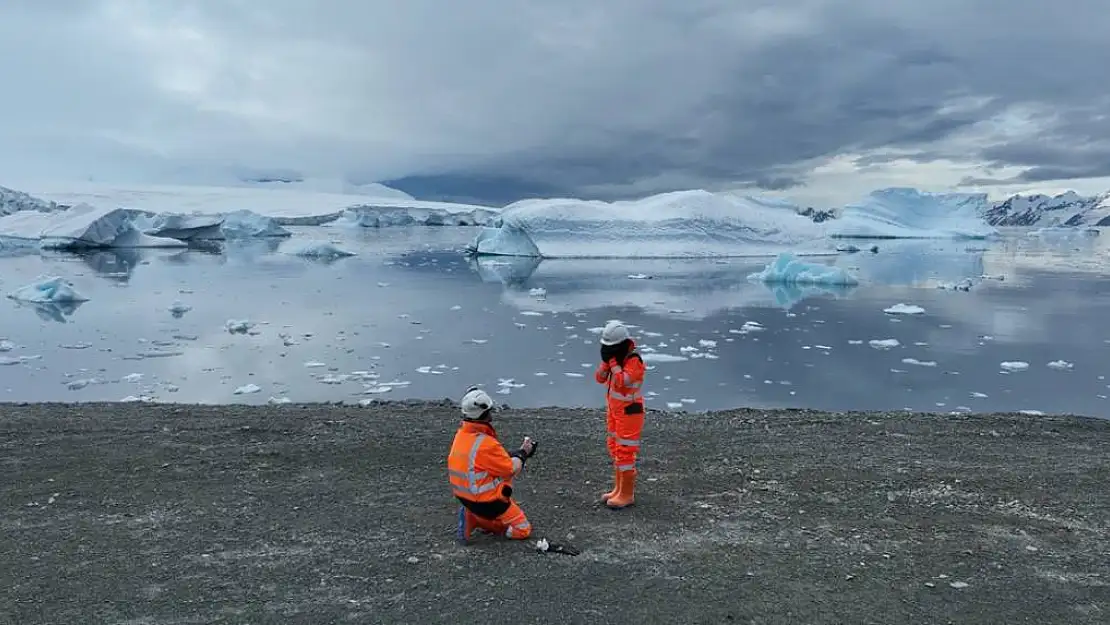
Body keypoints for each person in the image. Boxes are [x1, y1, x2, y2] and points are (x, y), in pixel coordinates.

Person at [448, 385, 538, 544]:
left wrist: (515, 454)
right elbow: (511, 469)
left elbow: (485, 461)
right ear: (484, 414)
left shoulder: (462, 436)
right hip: (489, 503)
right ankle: (480, 519)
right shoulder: (486, 444)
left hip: (464, 497)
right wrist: (524, 453)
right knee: (522, 529)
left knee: (495, 475)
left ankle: (472, 516)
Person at [594, 320, 646, 509]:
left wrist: (614, 364)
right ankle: (618, 489)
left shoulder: (634, 361)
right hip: (615, 412)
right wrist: (606, 364)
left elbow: (622, 382)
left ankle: (627, 494)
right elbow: (599, 378)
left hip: (630, 413)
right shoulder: (615, 361)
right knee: (615, 448)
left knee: (625, 452)